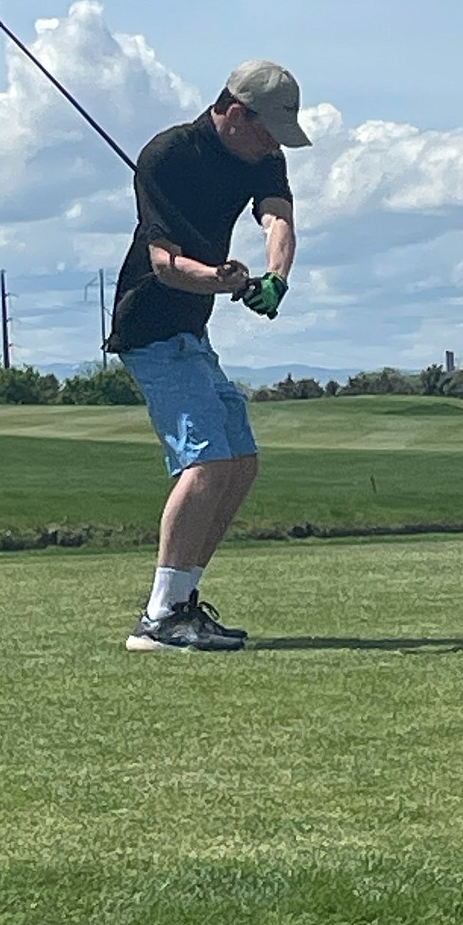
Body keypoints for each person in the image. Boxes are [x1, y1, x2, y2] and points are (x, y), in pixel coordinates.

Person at [106, 59, 311, 652]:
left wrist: (275, 277)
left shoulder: (262, 154)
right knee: (207, 464)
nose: (276, 145)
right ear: (237, 114)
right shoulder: (166, 157)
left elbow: (277, 217)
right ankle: (160, 618)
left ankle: (183, 603)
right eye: (269, 130)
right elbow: (165, 266)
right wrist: (222, 280)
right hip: (150, 327)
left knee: (240, 463)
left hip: (192, 333)